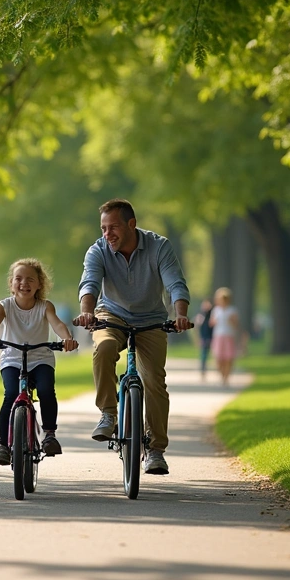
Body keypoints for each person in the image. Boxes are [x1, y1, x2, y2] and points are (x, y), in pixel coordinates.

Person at [75, 199, 192, 476]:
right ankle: (108, 413)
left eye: (113, 227)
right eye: (104, 228)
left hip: (151, 319)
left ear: (131, 224)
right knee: (103, 348)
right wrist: (86, 312)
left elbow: (175, 283)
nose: (107, 234)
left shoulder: (159, 246)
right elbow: (89, 282)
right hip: (111, 315)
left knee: (153, 381)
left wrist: (180, 315)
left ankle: (155, 450)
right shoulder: (98, 249)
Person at [0, 258, 79, 466]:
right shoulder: (5, 306)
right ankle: (3, 445)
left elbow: (57, 324)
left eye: (30, 279)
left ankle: (49, 434)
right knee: (10, 394)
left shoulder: (44, 306)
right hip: (12, 359)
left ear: (39, 284)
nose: (24, 283)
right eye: (18, 279)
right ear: (11, 284)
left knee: (46, 389)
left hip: (40, 358)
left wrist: (65, 338)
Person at [210, 287, 242, 387]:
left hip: (229, 336)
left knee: (228, 358)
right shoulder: (216, 310)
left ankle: (226, 378)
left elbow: (236, 325)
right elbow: (211, 323)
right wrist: (214, 321)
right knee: (219, 358)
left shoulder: (232, 310)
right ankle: (222, 375)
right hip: (218, 336)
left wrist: (231, 322)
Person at [195, 298, 215, 381]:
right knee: (203, 356)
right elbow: (197, 329)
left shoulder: (213, 315)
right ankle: (203, 372)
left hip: (212, 338)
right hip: (204, 338)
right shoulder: (200, 316)